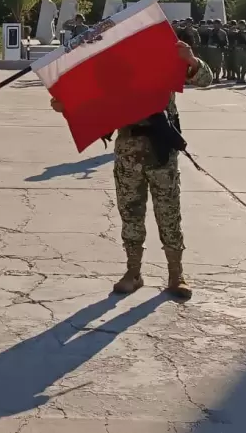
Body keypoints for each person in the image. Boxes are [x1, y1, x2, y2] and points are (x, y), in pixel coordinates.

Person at [50, 39, 212, 299]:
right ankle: (133, 272)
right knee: (131, 216)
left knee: (169, 215)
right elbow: (94, 106)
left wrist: (191, 61)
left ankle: (176, 274)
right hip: (128, 154)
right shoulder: (114, 70)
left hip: (161, 153)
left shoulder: (164, 61)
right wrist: (66, 107)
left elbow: (205, 79)